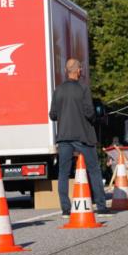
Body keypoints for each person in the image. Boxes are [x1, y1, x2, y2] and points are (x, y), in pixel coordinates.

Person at [50, 58, 109, 218]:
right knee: (94, 169)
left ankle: (65, 209)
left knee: (63, 172)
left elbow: (53, 115)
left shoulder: (58, 90)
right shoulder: (83, 88)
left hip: (63, 136)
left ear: (66, 71)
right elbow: (89, 112)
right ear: (78, 71)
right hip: (83, 135)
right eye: (81, 69)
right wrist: (96, 118)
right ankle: (101, 206)